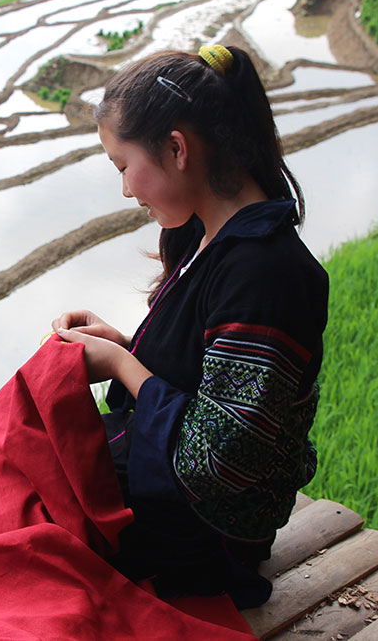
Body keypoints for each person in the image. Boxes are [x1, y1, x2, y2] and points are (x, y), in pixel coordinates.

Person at [50, 44, 329, 609]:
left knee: (16, 524)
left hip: (207, 531)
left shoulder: (265, 274)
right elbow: (213, 381)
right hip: (167, 494)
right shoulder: (204, 237)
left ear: (177, 148)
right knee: (4, 480)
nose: (126, 190)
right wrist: (125, 346)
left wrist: (123, 367)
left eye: (124, 167)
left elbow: (216, 463)